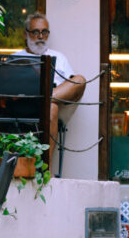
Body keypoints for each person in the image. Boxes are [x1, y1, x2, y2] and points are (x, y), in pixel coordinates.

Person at [16, 12, 86, 164]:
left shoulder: (58, 57)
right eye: (35, 32)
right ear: (25, 34)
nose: (41, 36)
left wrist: (49, 96)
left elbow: (73, 86)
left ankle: (46, 97)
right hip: (26, 106)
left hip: (55, 104)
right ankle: (46, 167)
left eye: (44, 32)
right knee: (51, 107)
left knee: (79, 80)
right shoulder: (16, 57)